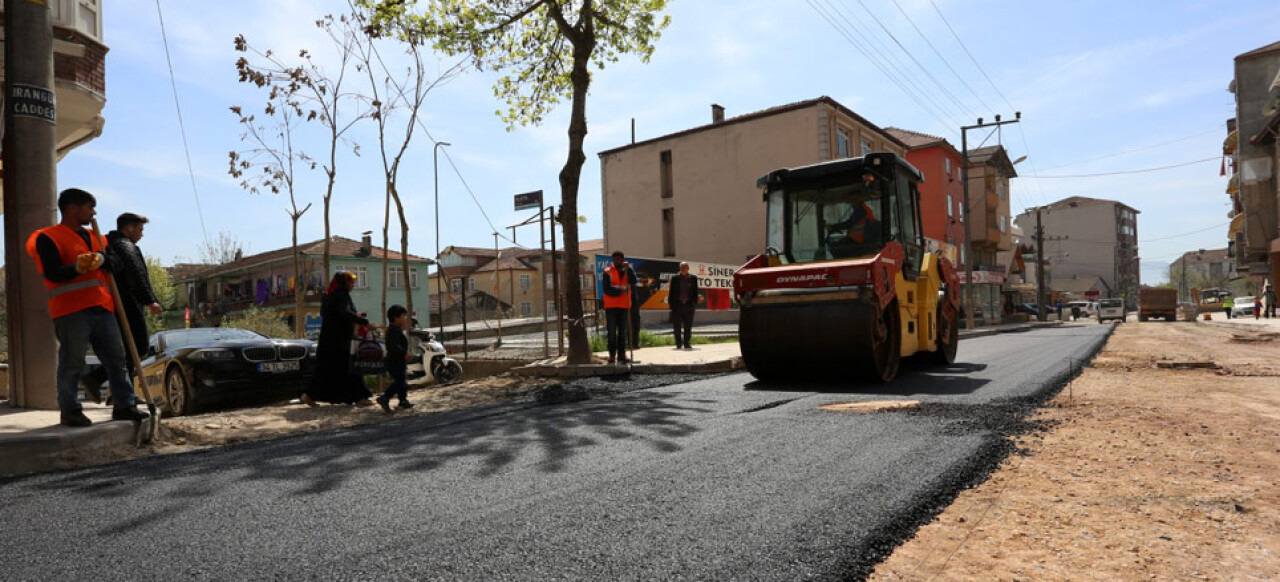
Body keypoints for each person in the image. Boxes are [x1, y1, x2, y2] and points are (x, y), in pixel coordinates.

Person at [24, 188, 149, 427]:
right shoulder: (48, 238)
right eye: (89, 207)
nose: (93, 212)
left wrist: (103, 260)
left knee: (117, 359)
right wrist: (77, 269)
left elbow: (118, 264)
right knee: (72, 362)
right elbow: (51, 273)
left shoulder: (97, 238)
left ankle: (125, 405)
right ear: (72, 207)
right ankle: (70, 411)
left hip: (102, 306)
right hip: (70, 310)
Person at [301, 271, 374, 407]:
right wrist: (364, 322)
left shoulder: (328, 296)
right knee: (351, 367)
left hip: (328, 341)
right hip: (340, 342)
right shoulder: (341, 296)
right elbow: (345, 313)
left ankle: (308, 395)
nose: (353, 284)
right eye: (350, 282)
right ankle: (360, 397)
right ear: (343, 283)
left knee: (327, 371)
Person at [105, 213, 162, 364]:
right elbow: (136, 273)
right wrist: (150, 300)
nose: (142, 234)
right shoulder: (125, 246)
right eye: (140, 230)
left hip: (116, 304)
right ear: (129, 228)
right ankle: (96, 377)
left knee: (128, 349)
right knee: (138, 346)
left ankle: (112, 381)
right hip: (128, 304)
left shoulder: (111, 244)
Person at [376, 305, 414, 413]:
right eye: (403, 316)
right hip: (394, 361)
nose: (405, 318)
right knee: (400, 381)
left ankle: (403, 400)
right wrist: (404, 354)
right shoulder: (393, 330)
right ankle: (385, 397)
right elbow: (394, 346)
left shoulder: (396, 329)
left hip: (398, 361)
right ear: (396, 317)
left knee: (402, 380)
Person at [601, 251, 637, 364]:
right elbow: (606, 289)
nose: (615, 261)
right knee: (611, 332)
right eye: (614, 259)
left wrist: (629, 269)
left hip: (624, 305)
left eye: (618, 259)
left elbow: (634, 281)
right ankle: (612, 355)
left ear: (622, 259)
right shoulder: (608, 272)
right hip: (611, 306)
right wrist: (621, 291)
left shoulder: (628, 270)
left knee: (623, 332)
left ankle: (622, 355)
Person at [667, 262, 699, 350]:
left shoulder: (693, 278)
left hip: (689, 306)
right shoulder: (675, 278)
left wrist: (693, 304)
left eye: (684, 267)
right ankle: (678, 343)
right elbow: (671, 293)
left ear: (688, 268)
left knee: (688, 326)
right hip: (677, 306)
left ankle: (686, 343)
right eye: (681, 267)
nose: (683, 269)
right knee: (677, 326)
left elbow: (696, 292)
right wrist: (671, 305)